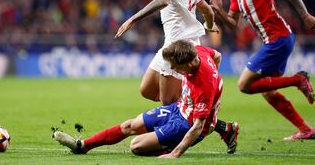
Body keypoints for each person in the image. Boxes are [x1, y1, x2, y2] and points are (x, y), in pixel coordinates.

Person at [53, 40, 239, 157]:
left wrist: (174, 155)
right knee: (130, 126)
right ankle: (83, 146)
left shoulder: (204, 84)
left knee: (136, 146)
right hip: (178, 108)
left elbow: (198, 127)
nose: (173, 70)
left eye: (176, 67)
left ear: (189, 64)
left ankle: (168, 146)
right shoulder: (198, 51)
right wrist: (215, 87)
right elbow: (218, 55)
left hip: (187, 124)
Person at [210, 0, 315, 140]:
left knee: (244, 85)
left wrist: (306, 16)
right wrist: (219, 11)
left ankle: (298, 80)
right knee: (269, 92)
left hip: (278, 39)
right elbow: (234, 25)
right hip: (276, 42)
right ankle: (305, 129)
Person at [115, 0, 219, 105]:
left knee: (167, 104)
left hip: (178, 45)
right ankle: (188, 107)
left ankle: (198, 119)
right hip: (179, 41)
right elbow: (206, 9)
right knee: (147, 89)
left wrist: (133, 19)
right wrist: (209, 25)